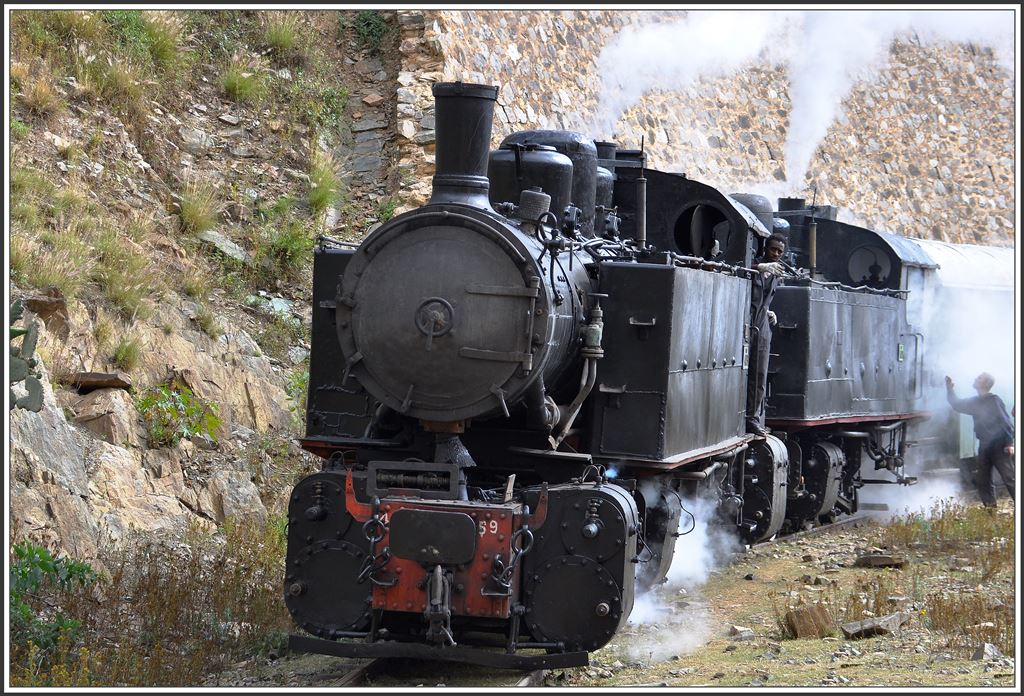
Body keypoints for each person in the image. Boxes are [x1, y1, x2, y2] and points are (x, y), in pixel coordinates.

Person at [946, 372, 1015, 508]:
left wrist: (1009, 443)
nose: (975, 379)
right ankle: (991, 513)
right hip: (984, 445)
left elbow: (1005, 422)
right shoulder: (975, 402)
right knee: (984, 482)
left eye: (979, 378)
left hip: (999, 446)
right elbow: (957, 404)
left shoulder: (994, 400)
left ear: (985, 383)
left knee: (1009, 479)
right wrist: (950, 389)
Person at [746, 231, 788, 437]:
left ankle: (752, 418)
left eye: (780, 251)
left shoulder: (777, 273)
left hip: (762, 322)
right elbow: (737, 268)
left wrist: (769, 310)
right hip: (746, 319)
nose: (776, 254)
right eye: (773, 249)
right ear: (765, 248)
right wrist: (760, 268)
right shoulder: (753, 264)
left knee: (759, 373)